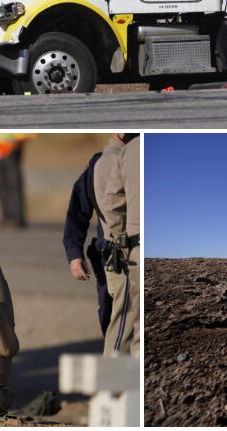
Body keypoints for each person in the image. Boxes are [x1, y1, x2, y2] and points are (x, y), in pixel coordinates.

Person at [95, 133, 140, 356]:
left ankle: (122, 386)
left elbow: (112, 206)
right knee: (124, 322)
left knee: (131, 323)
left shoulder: (126, 153)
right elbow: (109, 208)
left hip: (128, 246)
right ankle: (112, 384)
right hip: (124, 250)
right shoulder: (110, 160)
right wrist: (122, 243)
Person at [62, 152, 113, 337]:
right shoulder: (100, 164)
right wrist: (74, 254)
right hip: (109, 258)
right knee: (110, 319)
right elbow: (77, 212)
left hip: (134, 255)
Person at [0, 133, 35, 228]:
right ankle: (6, 216)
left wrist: (19, 140)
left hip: (11, 147)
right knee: (1, 186)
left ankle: (16, 218)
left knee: (13, 184)